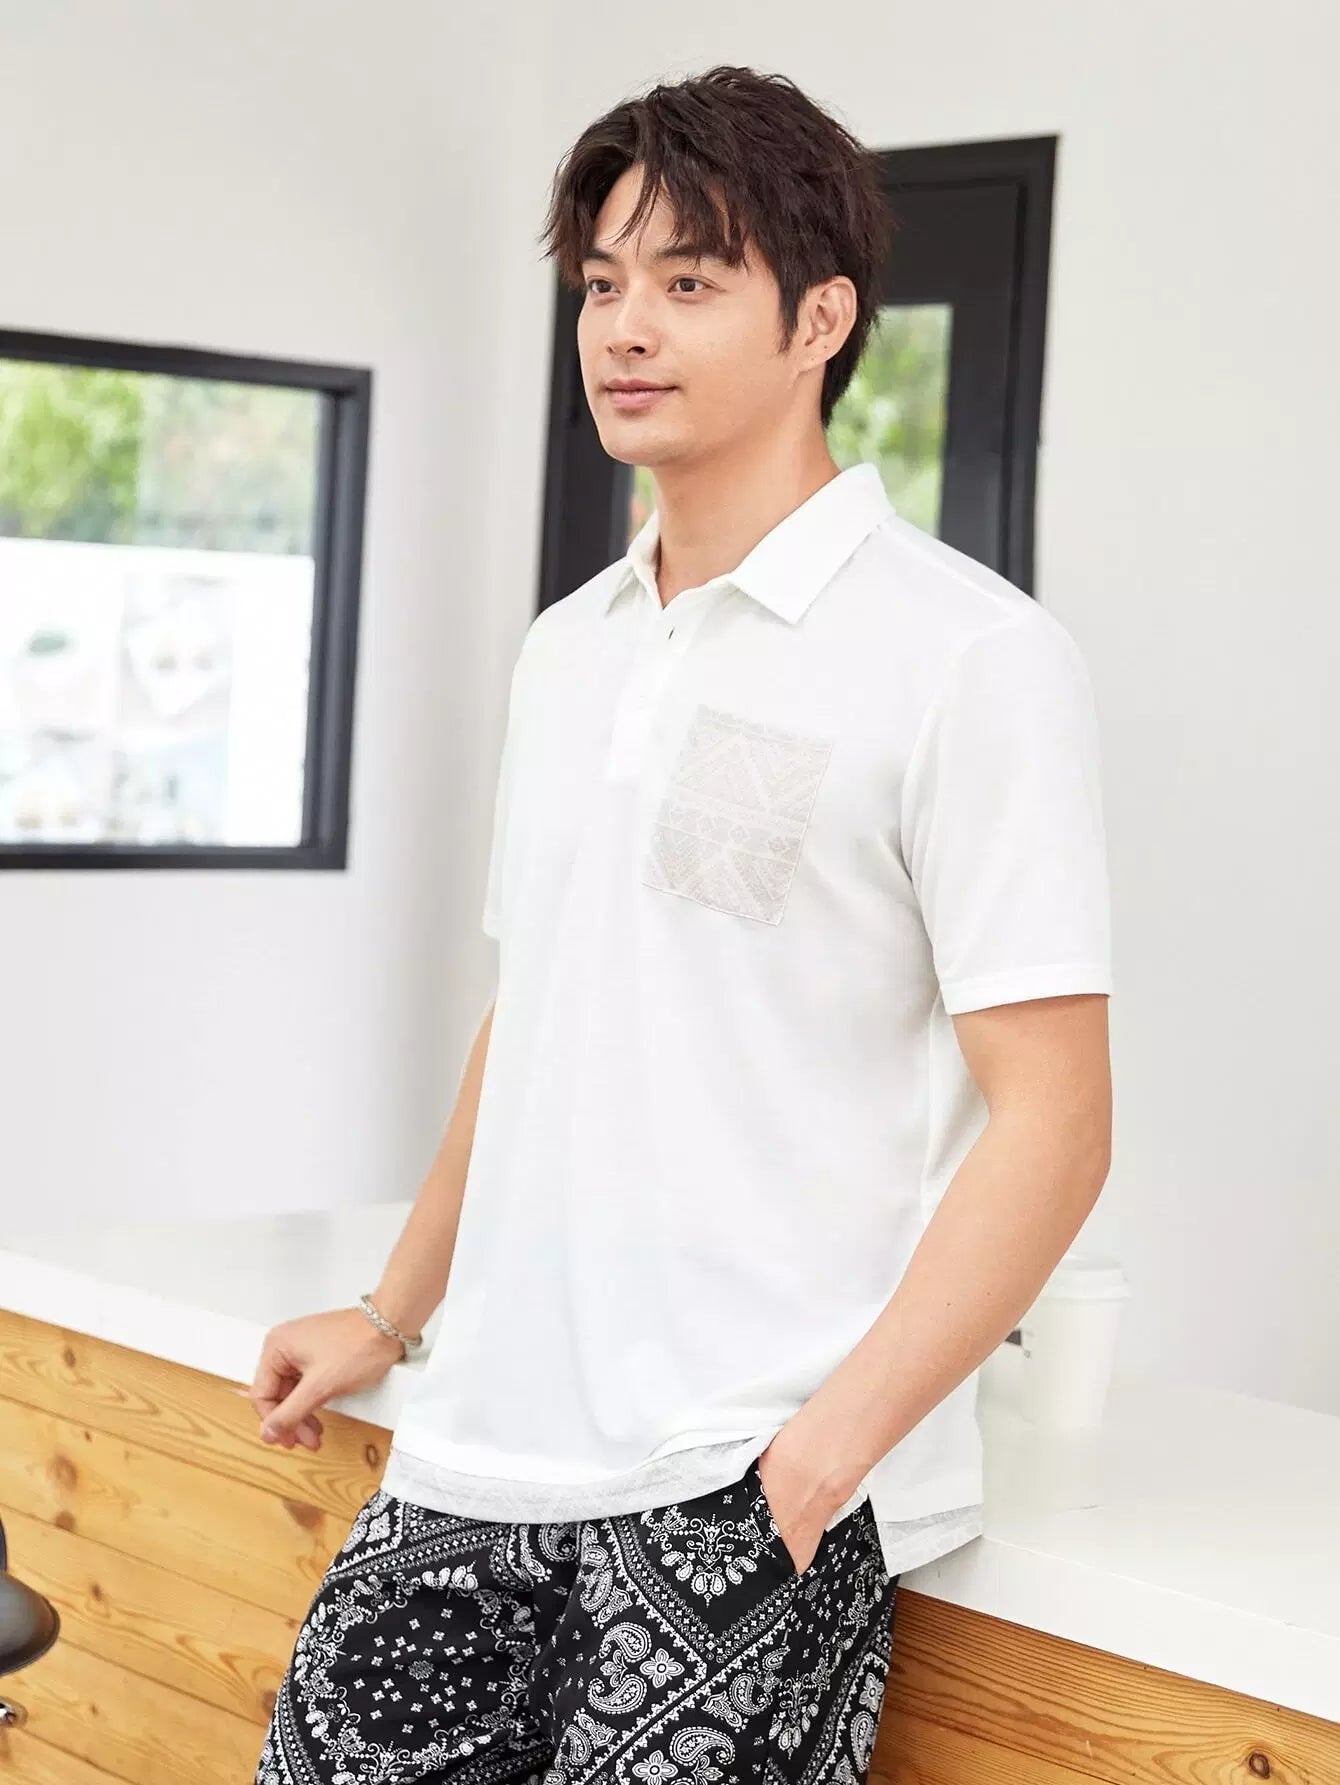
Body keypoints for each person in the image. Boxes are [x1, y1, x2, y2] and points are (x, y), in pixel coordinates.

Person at [249, 63, 1113, 1785]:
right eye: (601, 284)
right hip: (472, 1453)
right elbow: (541, 1007)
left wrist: (816, 1460)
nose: (624, 328)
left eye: (690, 281)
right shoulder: (568, 648)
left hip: (733, 1480)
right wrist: (393, 1310)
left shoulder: (970, 656)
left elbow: (1059, 1120)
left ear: (821, 322)